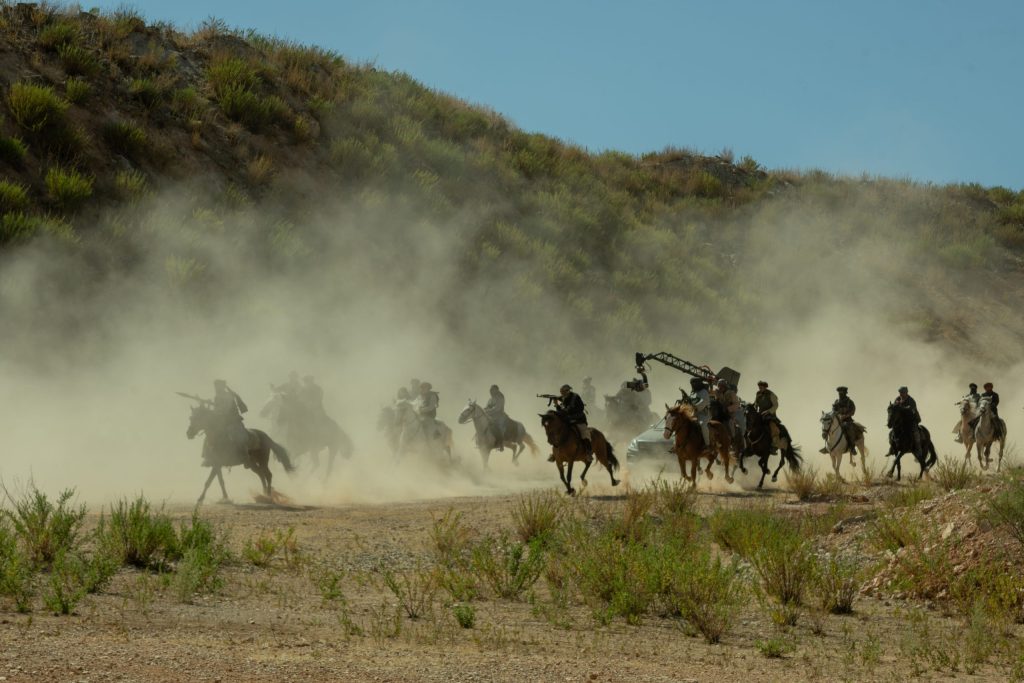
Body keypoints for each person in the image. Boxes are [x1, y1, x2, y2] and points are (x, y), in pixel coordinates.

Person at [210, 379, 250, 464]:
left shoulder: (228, 396)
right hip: (222, 421)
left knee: (237, 437)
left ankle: (245, 456)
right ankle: (210, 457)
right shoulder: (217, 397)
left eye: (217, 386)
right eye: (215, 386)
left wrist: (217, 410)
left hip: (233, 420)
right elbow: (216, 410)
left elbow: (225, 409)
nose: (216, 388)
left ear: (222, 387)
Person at [552, 383, 590, 459]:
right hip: (568, 419)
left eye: (563, 392)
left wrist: (566, 411)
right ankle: (555, 453)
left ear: (567, 391)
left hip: (578, 419)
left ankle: (588, 453)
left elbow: (574, 409)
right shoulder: (564, 398)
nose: (562, 394)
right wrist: (556, 404)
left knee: (584, 434)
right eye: (561, 392)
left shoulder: (575, 397)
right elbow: (561, 412)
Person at [821, 386, 858, 455]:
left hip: (847, 420)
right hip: (838, 420)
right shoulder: (836, 402)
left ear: (845, 393)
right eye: (839, 393)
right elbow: (833, 411)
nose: (840, 394)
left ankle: (852, 447)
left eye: (842, 393)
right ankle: (826, 447)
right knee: (828, 428)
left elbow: (852, 411)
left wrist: (845, 416)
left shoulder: (850, 402)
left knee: (850, 429)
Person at [894, 386, 923, 452]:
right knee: (893, 431)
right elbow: (894, 407)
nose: (901, 394)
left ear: (906, 393)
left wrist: (902, 408)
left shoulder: (911, 400)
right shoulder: (897, 399)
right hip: (901, 420)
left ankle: (919, 449)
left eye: (902, 392)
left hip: (911, 420)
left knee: (916, 433)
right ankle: (892, 448)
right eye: (900, 392)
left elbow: (912, 409)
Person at [754, 380, 781, 451]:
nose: (760, 388)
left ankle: (774, 445)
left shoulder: (771, 394)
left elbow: (776, 405)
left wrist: (768, 411)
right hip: (760, 414)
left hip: (770, 415)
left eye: (761, 387)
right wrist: (754, 407)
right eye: (759, 387)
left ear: (765, 387)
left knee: (772, 427)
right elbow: (756, 403)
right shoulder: (758, 393)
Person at [687, 377, 711, 447]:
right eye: (692, 383)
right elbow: (691, 402)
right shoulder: (693, 392)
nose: (693, 385)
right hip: (693, 413)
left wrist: (694, 407)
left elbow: (702, 403)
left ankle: (707, 444)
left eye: (694, 383)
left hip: (703, 414)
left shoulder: (704, 392)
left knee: (702, 425)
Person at [484, 384, 509, 451]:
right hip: (491, 415)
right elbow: (487, 406)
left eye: (492, 390)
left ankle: (500, 444)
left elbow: (497, 408)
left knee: (499, 428)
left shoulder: (500, 397)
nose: (491, 391)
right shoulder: (491, 399)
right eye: (490, 390)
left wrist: (488, 411)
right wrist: (484, 410)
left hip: (499, 415)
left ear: (496, 390)